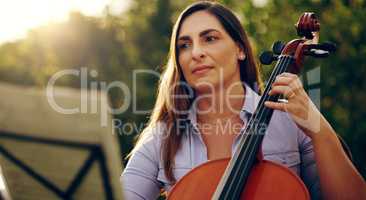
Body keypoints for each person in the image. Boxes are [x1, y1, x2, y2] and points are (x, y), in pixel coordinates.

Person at [120, 1, 366, 199]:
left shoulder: (290, 121)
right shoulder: (162, 136)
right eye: (184, 45)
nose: (196, 53)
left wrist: (320, 131)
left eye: (210, 38)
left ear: (240, 49)